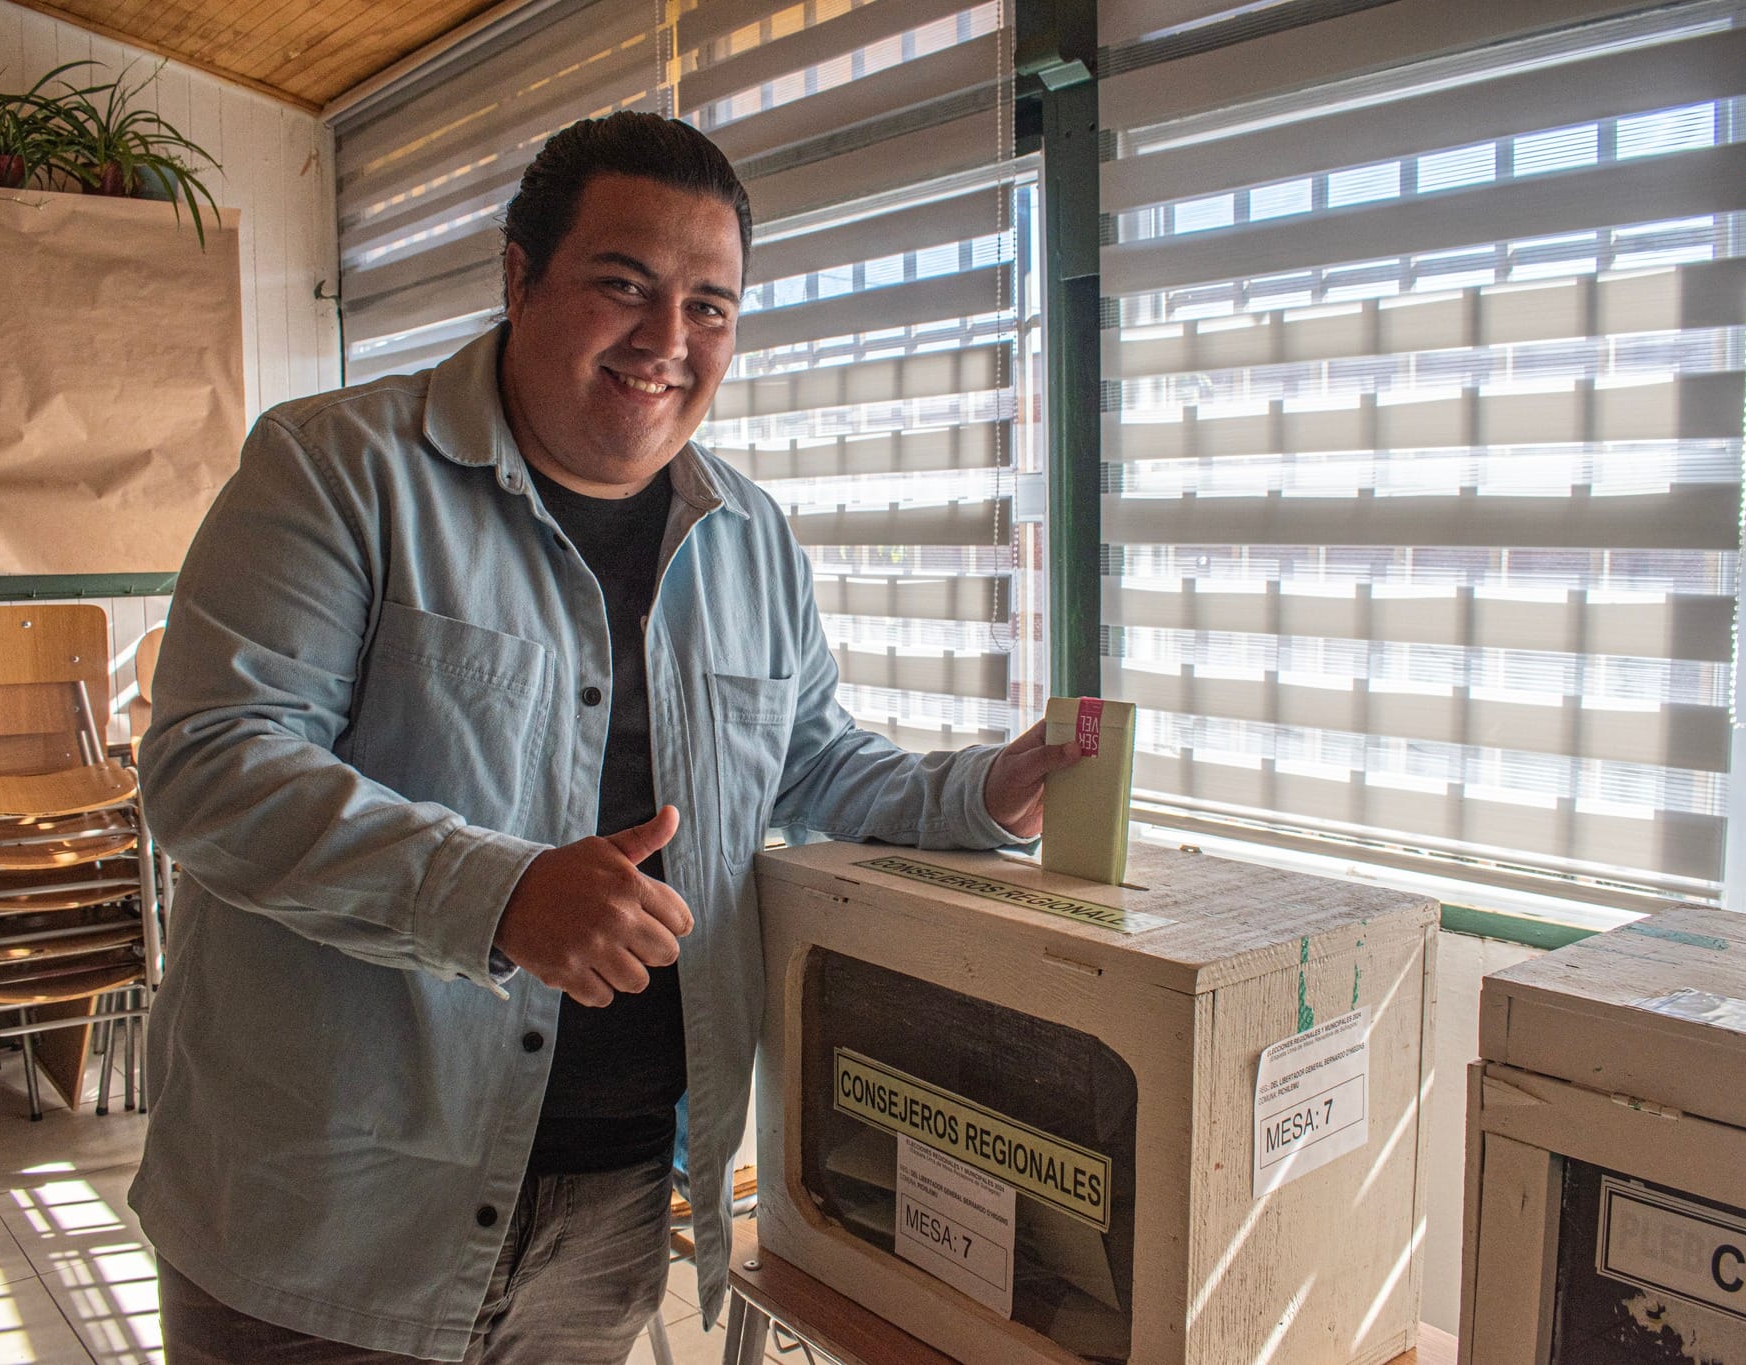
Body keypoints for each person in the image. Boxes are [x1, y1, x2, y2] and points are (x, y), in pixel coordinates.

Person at [129, 111, 1080, 1363]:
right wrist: (497, 890)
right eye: (622, 287)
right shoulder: (336, 470)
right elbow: (212, 767)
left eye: (709, 308)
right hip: (331, 1212)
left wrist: (983, 795)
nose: (665, 342)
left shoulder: (751, 536)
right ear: (518, 278)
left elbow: (804, 761)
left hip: (611, 1213)